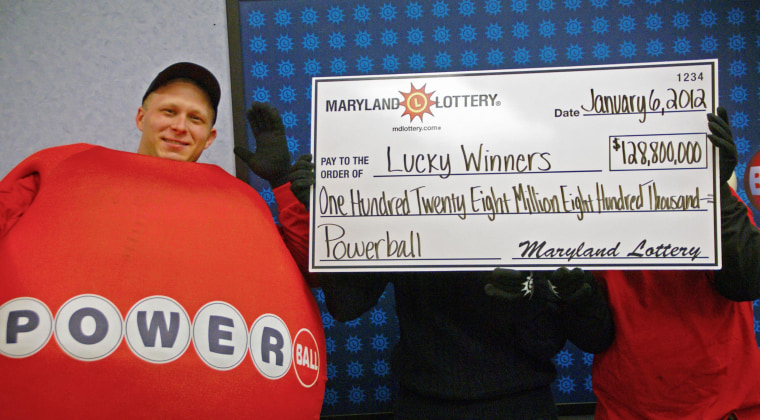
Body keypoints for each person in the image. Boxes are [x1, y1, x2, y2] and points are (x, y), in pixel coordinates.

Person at [0, 62, 325, 419]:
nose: (180, 127)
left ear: (210, 136)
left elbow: (312, 267)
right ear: (141, 117)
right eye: (169, 111)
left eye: (196, 119)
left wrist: (282, 185)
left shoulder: (240, 201)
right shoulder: (69, 169)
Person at [591, 107, 760, 419]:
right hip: (626, 409)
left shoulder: (724, 209)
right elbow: (593, 333)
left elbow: (746, 282)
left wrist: (717, 191)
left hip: (723, 409)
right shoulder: (594, 221)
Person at [320, 265, 614, 419]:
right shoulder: (402, 199)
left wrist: (529, 299)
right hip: (425, 402)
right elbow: (346, 303)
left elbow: (555, 341)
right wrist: (331, 218)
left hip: (522, 402)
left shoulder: (531, 202)